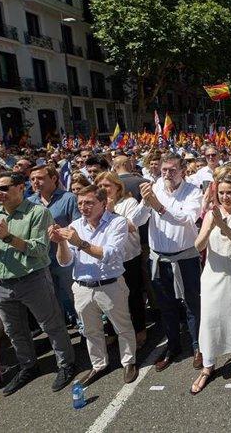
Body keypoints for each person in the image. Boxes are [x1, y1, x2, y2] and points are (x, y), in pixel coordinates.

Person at [0, 172, 75, 395]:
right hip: (1, 283)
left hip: (32, 279)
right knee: (14, 331)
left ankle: (66, 364)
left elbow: (38, 250)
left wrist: (8, 237)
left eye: (4, 188)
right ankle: (28, 366)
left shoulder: (37, 212)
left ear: (20, 187)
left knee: (51, 325)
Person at [50, 185, 138, 386]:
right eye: (80, 203)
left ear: (103, 203)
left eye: (89, 202)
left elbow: (110, 255)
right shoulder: (75, 226)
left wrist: (80, 242)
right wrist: (61, 243)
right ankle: (99, 364)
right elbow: (65, 262)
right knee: (90, 330)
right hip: (82, 286)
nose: (83, 207)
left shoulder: (117, 222)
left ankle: (129, 361)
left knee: (122, 326)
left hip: (110, 285)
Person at [134, 153, 203, 372]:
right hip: (160, 258)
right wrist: (146, 203)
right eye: (164, 170)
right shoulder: (154, 189)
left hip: (185, 258)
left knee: (192, 304)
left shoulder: (193, 191)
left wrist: (160, 207)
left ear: (183, 170)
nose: (167, 174)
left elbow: (187, 219)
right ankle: (173, 346)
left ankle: (197, 346)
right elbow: (136, 221)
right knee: (167, 306)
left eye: (172, 170)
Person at [191, 173, 231, 394]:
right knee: (209, 320)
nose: (226, 197)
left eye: (230, 192)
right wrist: (209, 227)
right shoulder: (210, 214)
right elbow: (198, 246)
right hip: (213, 277)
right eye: (222, 193)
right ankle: (208, 366)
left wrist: (222, 226)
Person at [95, 172, 148, 346]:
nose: (103, 189)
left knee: (133, 294)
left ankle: (139, 329)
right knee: (109, 297)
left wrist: (111, 212)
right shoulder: (96, 205)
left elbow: (132, 226)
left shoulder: (128, 203)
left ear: (117, 187)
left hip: (128, 256)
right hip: (106, 259)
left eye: (107, 186)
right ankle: (112, 330)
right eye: (100, 186)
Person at [28, 165, 80, 328]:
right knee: (51, 298)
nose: (36, 182)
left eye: (40, 178)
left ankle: (82, 327)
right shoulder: (29, 202)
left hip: (65, 257)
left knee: (72, 295)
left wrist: (60, 234)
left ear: (54, 178)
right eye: (33, 179)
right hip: (42, 259)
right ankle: (62, 327)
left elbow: (77, 226)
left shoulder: (69, 198)